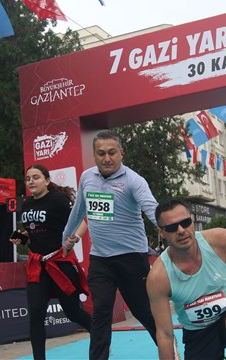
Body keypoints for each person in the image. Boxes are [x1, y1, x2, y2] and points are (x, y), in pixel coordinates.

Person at [62, 130, 158, 360]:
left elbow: (152, 210)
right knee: (101, 313)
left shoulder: (134, 180)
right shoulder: (87, 177)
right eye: (101, 153)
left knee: (143, 312)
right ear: (94, 155)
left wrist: (170, 229)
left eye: (112, 152)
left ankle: (169, 350)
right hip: (101, 260)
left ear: (121, 153)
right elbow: (79, 210)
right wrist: (66, 237)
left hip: (132, 258)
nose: (107, 158)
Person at [147, 198, 226, 360]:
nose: (181, 230)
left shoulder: (217, 239)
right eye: (172, 227)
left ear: (192, 222)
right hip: (197, 330)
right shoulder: (158, 277)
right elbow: (165, 335)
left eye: (185, 222)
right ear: (161, 232)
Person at [11, 165, 91, 360]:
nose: (31, 181)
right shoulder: (27, 204)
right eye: (28, 178)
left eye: (36, 177)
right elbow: (34, 230)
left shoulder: (58, 200)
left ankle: (100, 334)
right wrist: (21, 237)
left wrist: (75, 238)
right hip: (38, 266)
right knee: (36, 314)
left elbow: (82, 221)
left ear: (47, 180)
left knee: (72, 312)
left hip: (60, 263)